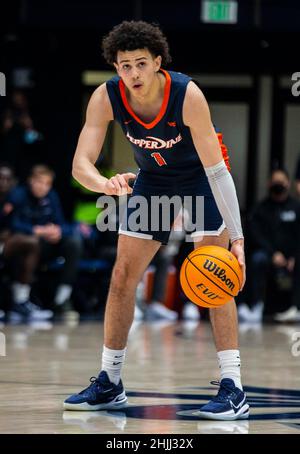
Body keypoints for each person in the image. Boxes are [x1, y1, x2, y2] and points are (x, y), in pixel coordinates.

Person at [64, 20, 248, 421]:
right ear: (116, 67)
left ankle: (233, 387)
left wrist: (237, 238)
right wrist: (105, 184)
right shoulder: (106, 97)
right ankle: (110, 382)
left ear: (157, 63)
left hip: (201, 178)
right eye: (125, 65)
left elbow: (218, 172)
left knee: (215, 275)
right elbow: (81, 164)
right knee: (121, 277)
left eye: (140, 64)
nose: (133, 73)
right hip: (153, 182)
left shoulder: (187, 94)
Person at [8, 165, 82, 319]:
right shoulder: (18, 195)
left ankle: (62, 298)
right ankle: (21, 300)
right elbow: (12, 224)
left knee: (74, 242)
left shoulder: (52, 197)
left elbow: (61, 222)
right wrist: (37, 230)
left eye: (47, 184)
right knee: (31, 243)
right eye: (39, 182)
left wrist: (58, 231)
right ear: (31, 181)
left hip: (47, 245)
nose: (43, 187)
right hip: (23, 245)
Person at [240, 169, 300, 323]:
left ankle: (295, 307)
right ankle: (256, 305)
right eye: (275, 182)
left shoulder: (296, 207)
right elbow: (256, 235)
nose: (278, 185)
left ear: (288, 183)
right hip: (269, 254)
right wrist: (273, 254)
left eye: (281, 181)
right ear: (268, 184)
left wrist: (294, 256)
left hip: (292, 256)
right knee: (257, 259)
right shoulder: (260, 209)